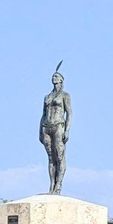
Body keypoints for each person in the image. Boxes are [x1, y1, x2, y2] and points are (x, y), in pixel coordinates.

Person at [39, 63, 72, 194]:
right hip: (46, 126)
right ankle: (52, 183)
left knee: (59, 155)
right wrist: (39, 131)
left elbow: (69, 112)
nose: (54, 78)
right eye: (53, 76)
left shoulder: (65, 95)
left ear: (61, 80)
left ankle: (59, 184)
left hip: (59, 125)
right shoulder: (47, 96)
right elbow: (43, 114)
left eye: (56, 76)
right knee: (51, 157)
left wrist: (68, 129)